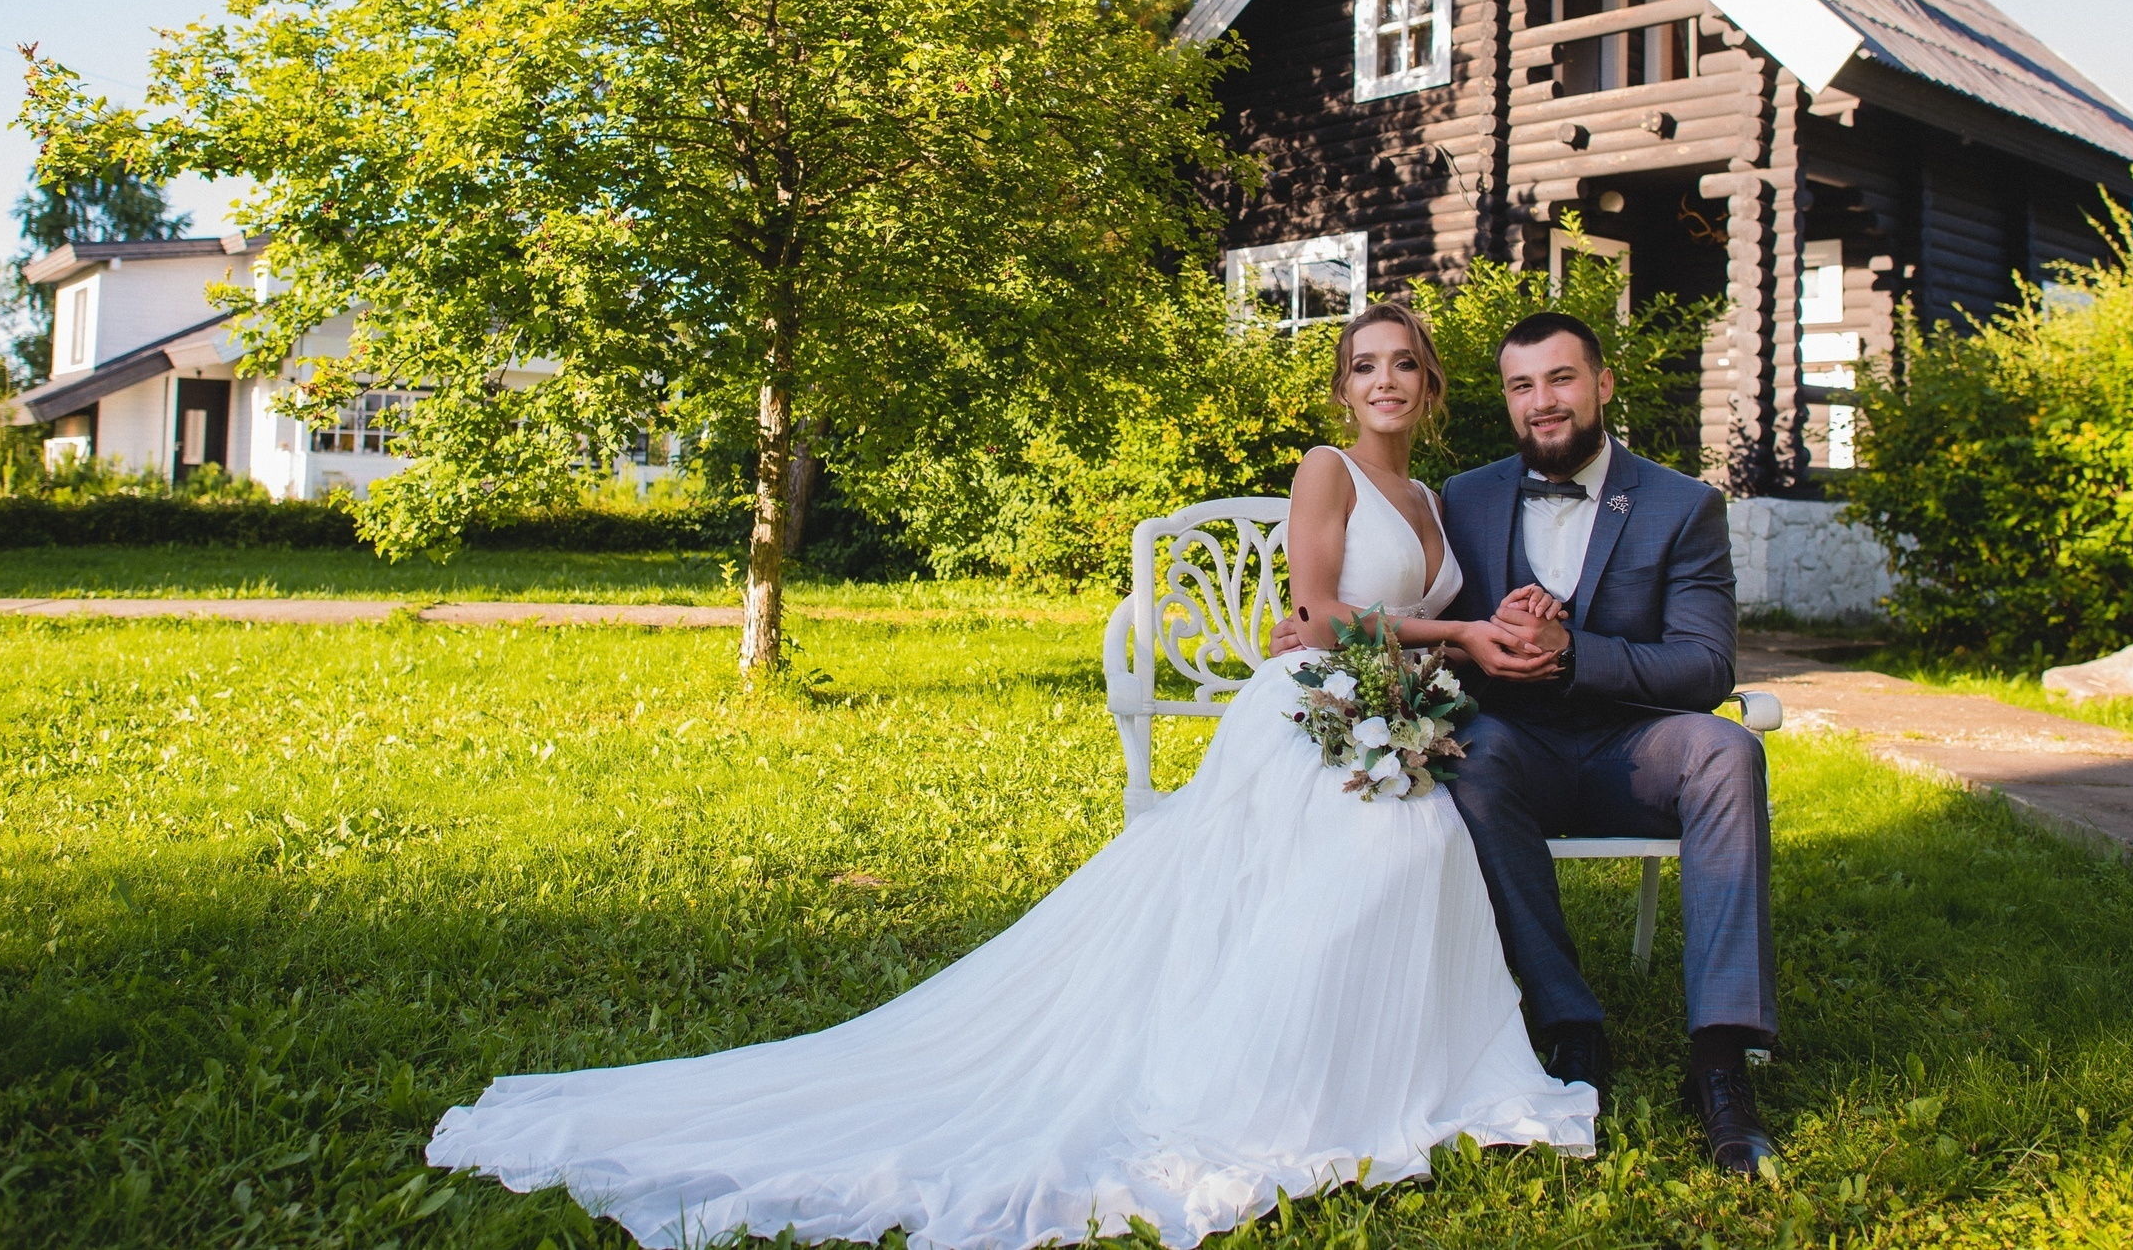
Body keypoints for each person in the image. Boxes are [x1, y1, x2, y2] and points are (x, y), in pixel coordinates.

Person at [426, 301, 1594, 1250]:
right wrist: (1458, 638)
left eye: (1404, 365)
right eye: (1363, 365)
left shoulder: (1438, 502)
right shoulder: (1325, 467)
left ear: (1432, 387)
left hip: (1389, 711)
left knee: (1424, 844)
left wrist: (1506, 621)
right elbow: (1322, 613)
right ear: (1341, 389)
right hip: (1314, 709)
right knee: (1383, 851)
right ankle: (1274, 1080)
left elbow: (1426, 614)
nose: (1384, 381)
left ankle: (1388, 1066)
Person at [1438, 311, 1778, 1175]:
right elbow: (1440, 631)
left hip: (1639, 750)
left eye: (1560, 379)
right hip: (1519, 748)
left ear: (1602, 385)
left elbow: (1705, 665)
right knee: (1470, 757)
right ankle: (1569, 1024)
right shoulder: (1465, 496)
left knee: (1729, 750)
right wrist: (1485, 635)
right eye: (1522, 385)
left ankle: (1721, 1061)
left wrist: (1574, 653)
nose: (1542, 402)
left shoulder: (1681, 503)